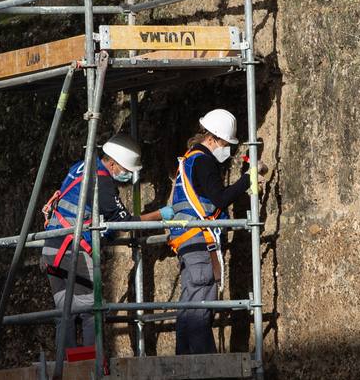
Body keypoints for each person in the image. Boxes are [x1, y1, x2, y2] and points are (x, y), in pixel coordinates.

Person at [162, 108, 266, 355]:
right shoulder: (204, 161)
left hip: (188, 242)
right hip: (199, 241)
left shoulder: (188, 159)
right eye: (226, 143)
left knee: (189, 306)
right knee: (200, 306)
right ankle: (203, 364)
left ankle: (183, 361)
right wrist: (247, 179)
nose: (227, 149)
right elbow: (219, 199)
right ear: (212, 138)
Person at [39, 131, 141, 350]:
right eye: (125, 170)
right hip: (72, 251)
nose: (126, 175)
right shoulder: (101, 181)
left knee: (65, 312)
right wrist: (160, 215)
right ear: (113, 164)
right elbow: (124, 221)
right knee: (90, 311)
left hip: (51, 249)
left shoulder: (81, 166)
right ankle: (90, 365)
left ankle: (67, 366)